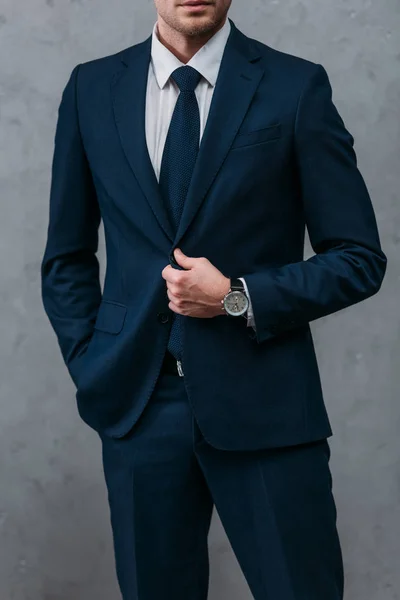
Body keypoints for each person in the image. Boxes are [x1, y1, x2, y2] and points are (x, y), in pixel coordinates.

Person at [41, 0, 387, 598]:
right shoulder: (91, 89)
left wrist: (236, 297)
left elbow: (359, 258)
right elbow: (66, 258)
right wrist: (92, 362)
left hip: (267, 406)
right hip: (138, 405)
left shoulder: (295, 86)